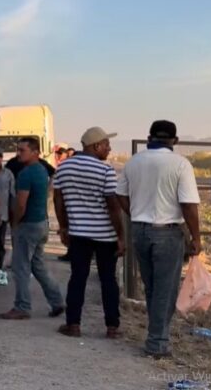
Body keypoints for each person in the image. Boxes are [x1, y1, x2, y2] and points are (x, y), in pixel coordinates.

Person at [116, 120, 202, 359]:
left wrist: (134, 213)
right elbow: (189, 205)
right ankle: (156, 342)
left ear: (149, 137)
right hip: (167, 231)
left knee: (152, 285)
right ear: (174, 140)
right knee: (166, 288)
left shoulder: (133, 162)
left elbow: (119, 194)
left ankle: (156, 334)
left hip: (140, 231)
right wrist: (196, 237)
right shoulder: (180, 164)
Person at [52, 127, 123, 338]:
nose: (109, 149)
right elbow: (113, 205)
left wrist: (64, 227)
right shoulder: (105, 170)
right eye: (107, 145)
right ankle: (112, 326)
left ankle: (73, 324)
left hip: (78, 234)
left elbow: (58, 199)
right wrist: (120, 236)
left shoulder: (64, 168)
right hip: (105, 236)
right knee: (108, 280)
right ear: (96, 146)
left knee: (78, 278)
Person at [0, 138, 65, 320]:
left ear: (35, 152)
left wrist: (15, 224)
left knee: (20, 268)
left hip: (28, 225)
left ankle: (22, 306)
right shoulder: (41, 170)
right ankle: (57, 301)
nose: (18, 154)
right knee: (38, 266)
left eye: (22, 150)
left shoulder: (26, 174)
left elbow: (21, 204)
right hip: (41, 223)